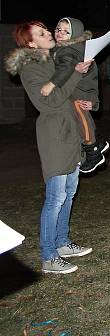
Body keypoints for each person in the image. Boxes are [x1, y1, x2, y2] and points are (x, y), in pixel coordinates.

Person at [5, 21, 94, 273]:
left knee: (69, 191)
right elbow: (51, 100)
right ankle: (48, 256)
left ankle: (62, 242)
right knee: (55, 197)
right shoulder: (31, 68)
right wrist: (75, 72)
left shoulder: (53, 60)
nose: (49, 34)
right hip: (54, 135)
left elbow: (69, 91)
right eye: (42, 33)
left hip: (70, 131)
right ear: (31, 43)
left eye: (46, 29)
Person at [40, 17, 109, 174]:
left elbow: (65, 69)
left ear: (75, 34)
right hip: (77, 90)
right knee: (78, 117)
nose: (60, 33)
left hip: (79, 92)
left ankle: (93, 151)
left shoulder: (70, 50)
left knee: (79, 113)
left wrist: (51, 84)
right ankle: (98, 141)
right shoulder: (64, 48)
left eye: (66, 31)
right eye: (58, 29)